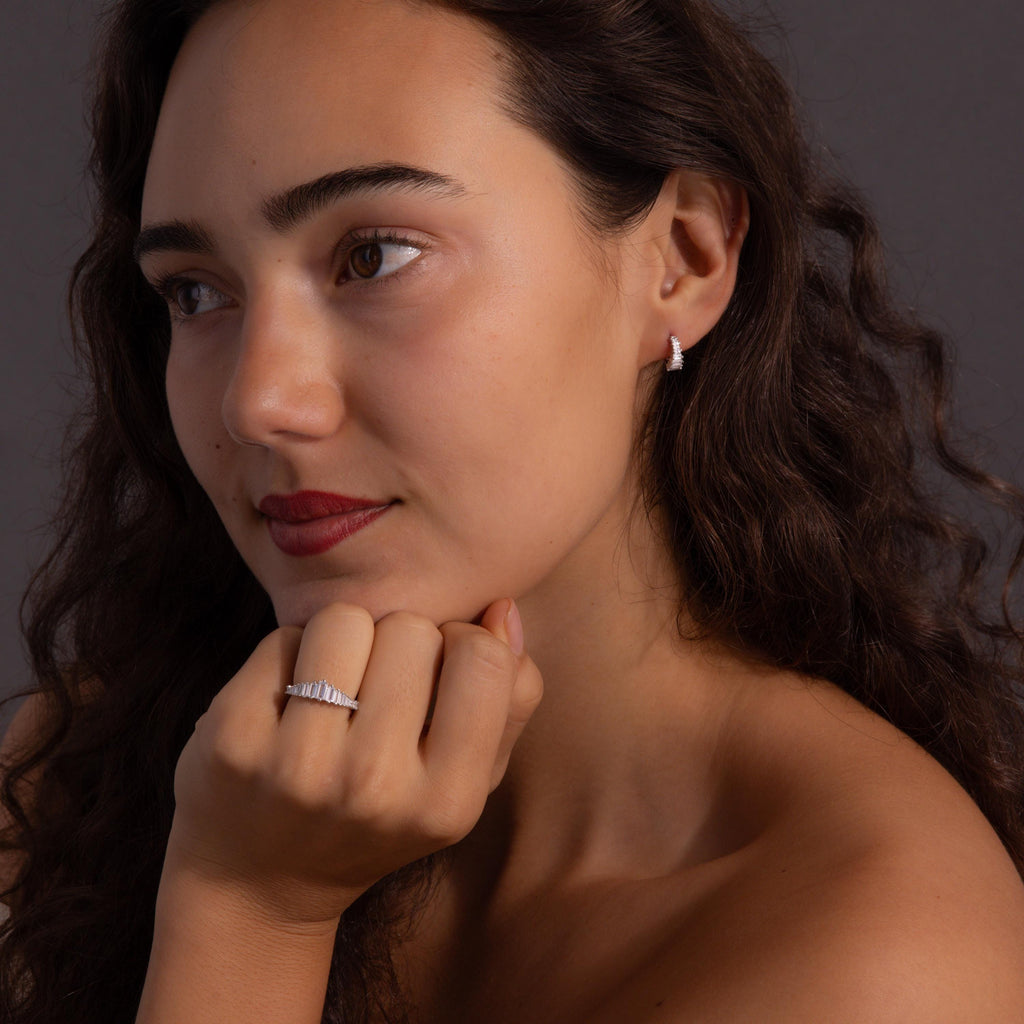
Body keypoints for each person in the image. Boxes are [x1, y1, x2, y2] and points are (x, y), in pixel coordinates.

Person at [2, 0, 1024, 1020]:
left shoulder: (883, 952)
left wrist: (248, 911)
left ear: (683, 257)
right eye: (195, 292)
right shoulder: (96, 773)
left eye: (374, 256)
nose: (258, 400)